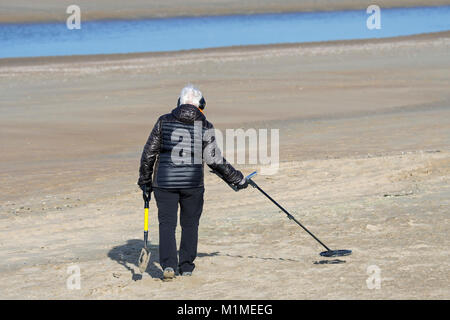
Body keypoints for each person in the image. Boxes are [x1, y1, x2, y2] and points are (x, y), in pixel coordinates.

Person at [138, 84, 248, 279]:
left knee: (167, 224)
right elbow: (214, 160)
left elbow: (149, 154)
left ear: (179, 102)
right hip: (193, 185)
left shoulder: (163, 121)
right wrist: (237, 178)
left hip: (164, 183)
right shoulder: (205, 126)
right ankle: (186, 267)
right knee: (190, 225)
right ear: (200, 105)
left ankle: (168, 266)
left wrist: (145, 182)